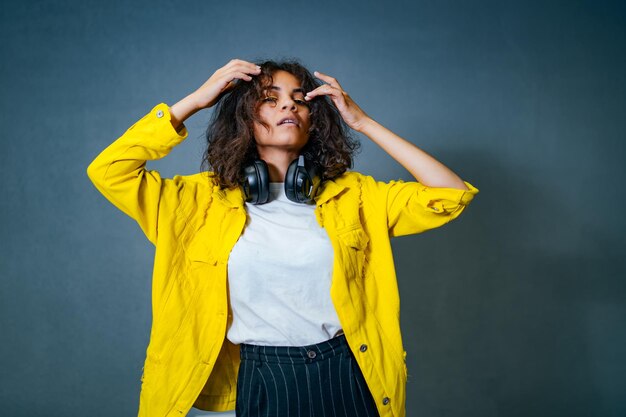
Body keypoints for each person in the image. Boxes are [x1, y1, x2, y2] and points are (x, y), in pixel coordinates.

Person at [86, 58, 479, 417]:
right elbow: (109, 171)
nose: (289, 106)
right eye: (270, 99)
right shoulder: (193, 202)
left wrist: (363, 122)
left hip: (348, 371)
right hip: (265, 375)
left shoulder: (355, 196)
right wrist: (193, 102)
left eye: (299, 99)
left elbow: (450, 194)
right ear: (245, 118)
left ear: (313, 119)